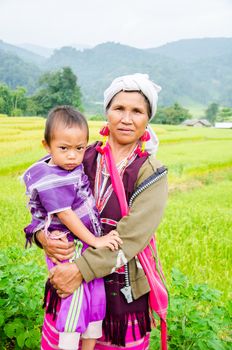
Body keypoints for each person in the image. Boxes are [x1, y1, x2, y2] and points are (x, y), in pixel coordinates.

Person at [35, 73, 168, 350]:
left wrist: (79, 271)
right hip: (72, 291)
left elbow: (132, 236)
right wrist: (40, 236)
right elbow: (44, 197)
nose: (127, 118)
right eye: (119, 108)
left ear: (147, 119)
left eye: (137, 111)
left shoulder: (151, 173)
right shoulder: (79, 155)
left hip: (121, 294)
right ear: (107, 112)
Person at [23, 106, 122, 350]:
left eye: (79, 149)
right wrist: (96, 240)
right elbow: (65, 214)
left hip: (84, 243)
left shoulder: (72, 166)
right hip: (69, 243)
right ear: (46, 146)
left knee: (95, 299)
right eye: (63, 148)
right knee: (75, 299)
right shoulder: (49, 176)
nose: (72, 156)